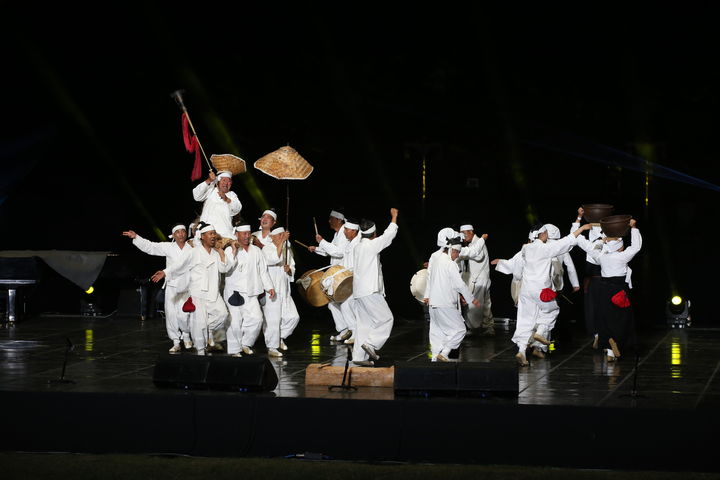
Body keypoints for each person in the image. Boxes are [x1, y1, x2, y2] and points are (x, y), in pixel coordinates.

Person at [492, 221, 590, 366]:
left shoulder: (526, 249)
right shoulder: (546, 249)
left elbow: (515, 264)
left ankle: (522, 350)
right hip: (542, 290)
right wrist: (581, 228)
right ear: (543, 234)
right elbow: (567, 241)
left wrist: (501, 262)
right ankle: (541, 332)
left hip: (526, 291)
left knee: (525, 321)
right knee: (552, 311)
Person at [151, 223, 236, 356]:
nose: (213, 236)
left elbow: (224, 268)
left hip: (213, 293)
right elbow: (180, 265)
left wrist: (221, 252)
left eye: (214, 233)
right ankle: (201, 350)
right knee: (199, 324)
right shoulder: (194, 252)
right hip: (198, 294)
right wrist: (166, 272)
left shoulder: (216, 252)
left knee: (223, 315)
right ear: (203, 236)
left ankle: (207, 331)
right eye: (210, 233)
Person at [573, 215, 642, 362]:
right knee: (622, 318)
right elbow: (636, 247)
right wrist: (634, 228)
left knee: (606, 318)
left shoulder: (602, 256)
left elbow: (583, 244)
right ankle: (616, 342)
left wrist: (597, 239)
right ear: (620, 247)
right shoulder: (622, 257)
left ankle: (610, 351)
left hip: (604, 290)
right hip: (619, 290)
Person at [123, 224, 193, 353]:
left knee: (185, 316)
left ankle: (187, 335)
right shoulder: (169, 247)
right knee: (171, 315)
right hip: (172, 285)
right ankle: (176, 341)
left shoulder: (192, 248)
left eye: (183, 231)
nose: (181, 234)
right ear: (173, 235)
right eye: (178, 232)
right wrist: (136, 237)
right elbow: (151, 247)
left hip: (187, 286)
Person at [351, 208, 399, 366]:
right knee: (386, 319)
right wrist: (394, 217)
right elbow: (388, 236)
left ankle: (359, 357)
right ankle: (371, 344)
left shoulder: (358, 247)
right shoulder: (370, 246)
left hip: (358, 292)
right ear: (374, 234)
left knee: (363, 325)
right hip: (370, 291)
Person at [424, 237, 481, 361]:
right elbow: (459, 284)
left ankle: (434, 358)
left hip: (433, 304)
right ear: (452, 250)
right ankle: (444, 353)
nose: (457, 256)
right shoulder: (450, 264)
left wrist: (427, 295)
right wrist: (471, 299)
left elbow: (431, 279)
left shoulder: (436, 260)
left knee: (437, 332)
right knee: (460, 329)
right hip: (445, 303)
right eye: (457, 253)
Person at [223, 223, 276, 357]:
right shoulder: (230, 250)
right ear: (237, 235)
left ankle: (245, 343)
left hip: (252, 291)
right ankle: (234, 349)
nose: (247, 236)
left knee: (257, 319)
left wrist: (269, 287)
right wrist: (234, 252)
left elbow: (263, 271)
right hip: (234, 292)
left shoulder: (256, 251)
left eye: (248, 233)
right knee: (234, 322)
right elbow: (225, 268)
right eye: (243, 234)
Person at [310, 209, 354, 343]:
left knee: (345, 304)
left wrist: (322, 241)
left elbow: (339, 252)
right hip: (335, 274)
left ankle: (353, 331)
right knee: (332, 303)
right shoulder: (337, 234)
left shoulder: (344, 234)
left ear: (339, 220)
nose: (329, 221)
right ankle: (344, 330)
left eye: (331, 218)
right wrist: (317, 249)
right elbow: (331, 251)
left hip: (343, 275)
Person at [260, 226, 300, 358]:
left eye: (283, 235)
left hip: (285, 289)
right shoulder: (266, 249)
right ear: (272, 237)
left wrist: (289, 270)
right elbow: (274, 259)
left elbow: (292, 267)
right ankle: (272, 347)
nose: (282, 237)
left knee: (293, 317)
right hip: (272, 289)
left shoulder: (287, 249)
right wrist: (283, 242)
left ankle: (278, 337)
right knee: (273, 320)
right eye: (280, 235)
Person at [458, 224, 493, 336]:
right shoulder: (473, 243)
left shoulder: (477, 243)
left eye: (464, 234)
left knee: (474, 305)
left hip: (478, 278)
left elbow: (477, 255)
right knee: (486, 305)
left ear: (471, 232)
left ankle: (474, 329)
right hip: (479, 278)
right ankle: (488, 327)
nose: (463, 237)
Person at [192, 170, 241, 239]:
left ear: (231, 183)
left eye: (229, 181)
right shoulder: (211, 190)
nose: (226, 183)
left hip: (225, 234)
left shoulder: (232, 195)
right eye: (223, 180)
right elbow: (197, 196)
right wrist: (209, 180)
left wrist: (227, 199)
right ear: (218, 182)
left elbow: (237, 209)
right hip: (207, 232)